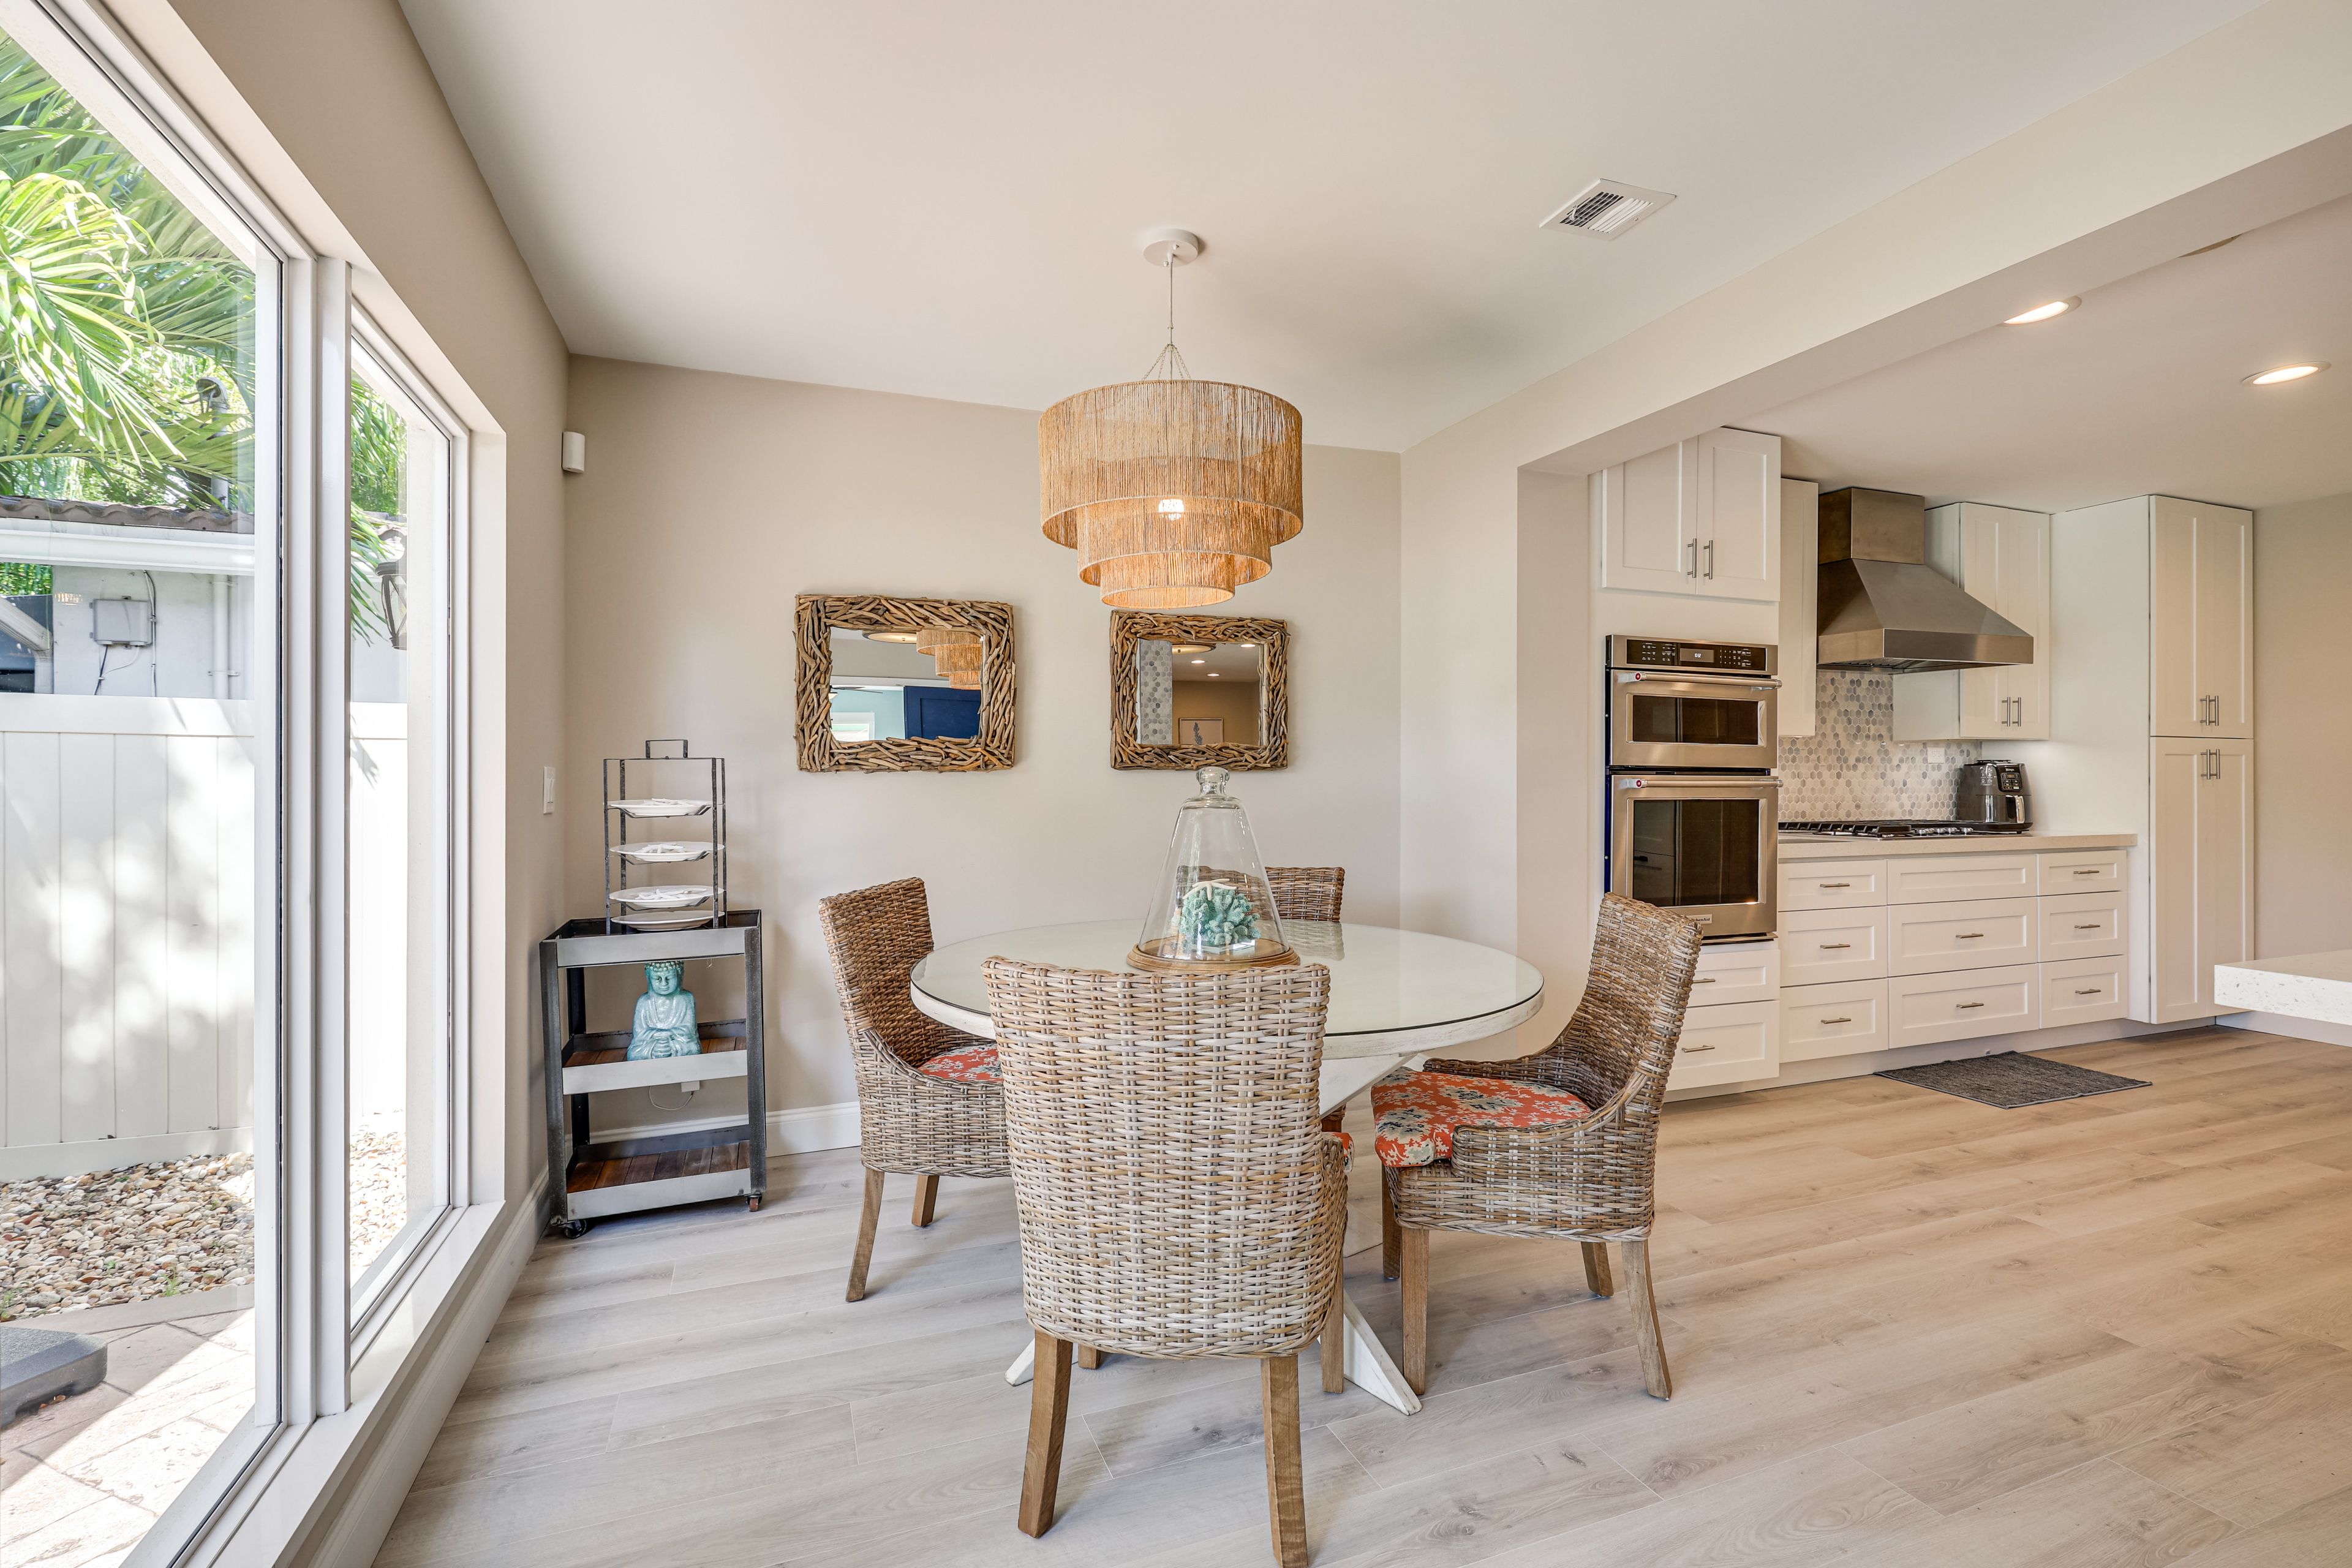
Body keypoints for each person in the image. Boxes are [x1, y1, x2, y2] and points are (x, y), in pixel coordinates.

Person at [627, 960, 701, 1060]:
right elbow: (639, 1033)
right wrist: (657, 1035)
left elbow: (688, 1030)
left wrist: (670, 1034)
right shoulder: (644, 1001)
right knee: (634, 1054)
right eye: (657, 979)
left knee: (693, 1048)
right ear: (648, 977)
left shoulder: (686, 999)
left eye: (669, 978)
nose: (664, 983)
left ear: (680, 975)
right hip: (651, 1045)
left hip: (678, 1043)